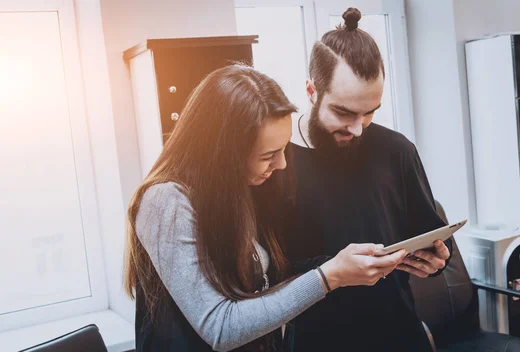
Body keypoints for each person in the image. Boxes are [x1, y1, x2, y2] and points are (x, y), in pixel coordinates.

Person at [122, 64, 408, 352]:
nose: (281, 164)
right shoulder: (165, 202)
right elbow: (220, 327)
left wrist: (343, 262)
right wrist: (328, 276)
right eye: (268, 155)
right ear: (223, 153)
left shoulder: (237, 190)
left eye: (283, 149)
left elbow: (270, 278)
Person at [283, 8, 452, 352]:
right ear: (311, 91)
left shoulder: (397, 150)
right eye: (344, 113)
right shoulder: (277, 162)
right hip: (318, 342)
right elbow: (267, 274)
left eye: (369, 112)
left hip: (400, 336)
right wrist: (333, 271)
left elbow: (429, 237)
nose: (358, 128)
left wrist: (434, 262)